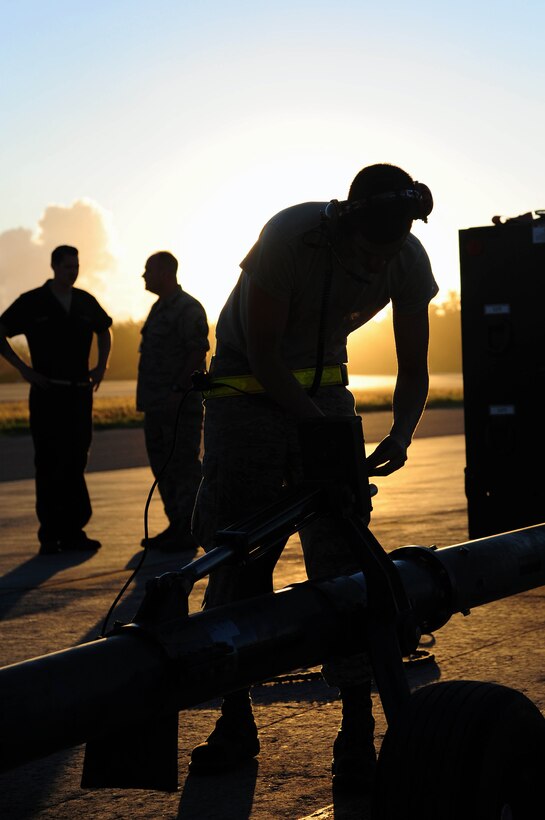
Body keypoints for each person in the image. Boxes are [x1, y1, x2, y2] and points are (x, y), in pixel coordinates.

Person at [188, 163, 439, 790]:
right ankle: (235, 717)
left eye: (393, 250)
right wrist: (328, 436)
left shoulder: (406, 258)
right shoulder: (290, 239)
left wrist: (401, 434)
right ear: (344, 224)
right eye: (371, 253)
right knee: (241, 562)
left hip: (326, 397)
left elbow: (413, 369)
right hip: (247, 402)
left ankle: (356, 725)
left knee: (345, 561)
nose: (380, 266)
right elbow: (267, 358)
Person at [0, 245, 112, 555]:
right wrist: (24, 370)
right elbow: (1, 332)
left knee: (76, 459)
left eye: (76, 266)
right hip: (48, 393)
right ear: (54, 267)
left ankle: (74, 530)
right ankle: (49, 534)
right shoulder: (32, 302)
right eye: (67, 267)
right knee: (48, 461)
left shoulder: (86, 302)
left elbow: (105, 331)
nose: (73, 272)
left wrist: (102, 366)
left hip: (78, 393)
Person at [136, 251, 209, 553]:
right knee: (163, 467)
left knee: (183, 466)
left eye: (148, 270)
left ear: (166, 272)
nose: (143, 276)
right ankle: (177, 525)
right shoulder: (159, 308)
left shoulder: (187, 308)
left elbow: (196, 352)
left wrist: (178, 390)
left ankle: (191, 528)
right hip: (157, 405)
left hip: (178, 406)